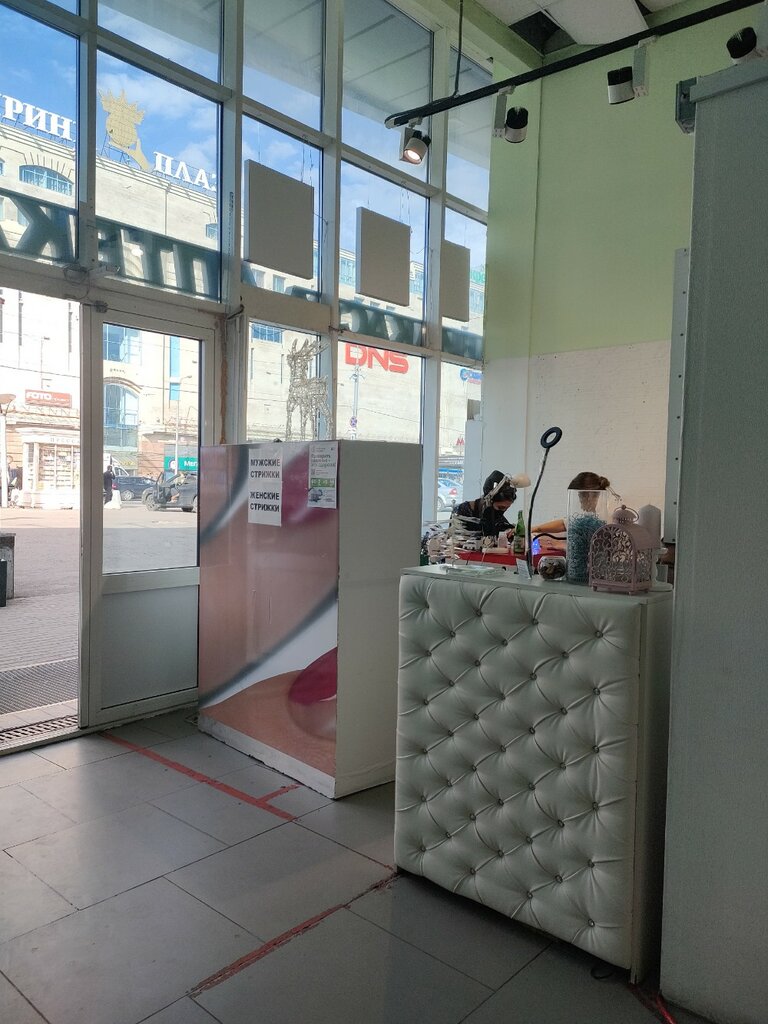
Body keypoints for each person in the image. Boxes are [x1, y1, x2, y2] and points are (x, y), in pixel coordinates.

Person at [531, 471, 612, 541]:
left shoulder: (607, 513)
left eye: (580, 498)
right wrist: (535, 529)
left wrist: (562, 545)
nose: (580, 504)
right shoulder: (594, 513)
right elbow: (565, 524)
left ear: (588, 496)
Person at [450, 470, 520, 544]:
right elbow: (453, 542)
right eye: (501, 507)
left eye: (506, 508)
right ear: (489, 502)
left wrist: (514, 531)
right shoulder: (462, 511)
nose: (503, 511)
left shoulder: (497, 517)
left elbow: (506, 530)